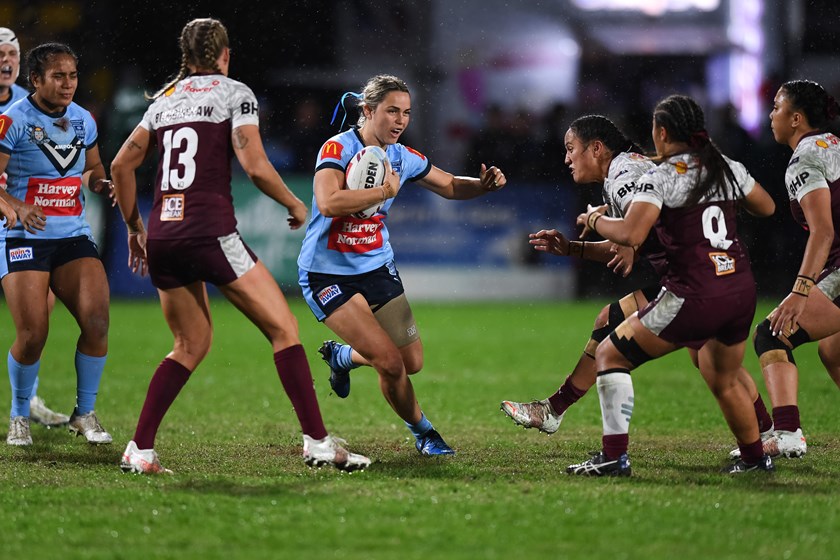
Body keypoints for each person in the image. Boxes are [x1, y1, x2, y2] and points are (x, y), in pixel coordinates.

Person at [110, 18, 369, 474]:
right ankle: (317, 443)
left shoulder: (164, 100)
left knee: (189, 344)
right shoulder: (234, 93)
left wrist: (134, 227)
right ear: (224, 54)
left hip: (165, 234)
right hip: (209, 233)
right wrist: (294, 203)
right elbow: (255, 165)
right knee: (284, 329)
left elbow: (120, 166)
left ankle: (140, 449)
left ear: (185, 58)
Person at [500, 115, 774, 449]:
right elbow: (631, 236)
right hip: (707, 275)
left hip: (694, 283)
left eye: (571, 149)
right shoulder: (628, 168)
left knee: (620, 347)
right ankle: (767, 433)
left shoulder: (623, 173)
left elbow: (635, 229)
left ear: (597, 148)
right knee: (704, 358)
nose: (566, 158)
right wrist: (573, 247)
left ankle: (589, 437)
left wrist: (629, 240)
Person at [567, 95, 776, 476]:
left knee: (610, 355)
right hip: (740, 288)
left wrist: (594, 218)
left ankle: (613, 457)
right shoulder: (724, 166)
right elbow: (766, 207)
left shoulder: (660, 175)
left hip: (694, 292)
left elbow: (631, 232)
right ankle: (755, 459)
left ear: (662, 132)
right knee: (723, 378)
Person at [299, 74, 506, 456]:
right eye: (392, 111)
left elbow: (448, 185)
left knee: (411, 362)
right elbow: (328, 202)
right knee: (390, 364)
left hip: (377, 269)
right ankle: (424, 432)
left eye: (406, 113)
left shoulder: (401, 156)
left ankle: (342, 356)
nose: (400, 120)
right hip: (328, 275)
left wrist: (482, 186)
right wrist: (383, 191)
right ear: (368, 110)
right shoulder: (337, 148)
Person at [0, 43, 113, 446]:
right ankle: (18, 414)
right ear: (35, 80)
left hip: (72, 236)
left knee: (97, 322)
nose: (68, 84)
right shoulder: (12, 120)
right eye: (58, 76)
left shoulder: (84, 120)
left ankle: (84, 413)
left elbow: (94, 167)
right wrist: (16, 205)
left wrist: (101, 183)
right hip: (23, 237)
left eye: (73, 75)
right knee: (32, 335)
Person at [748, 79, 840, 459]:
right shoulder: (834, 144)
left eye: (777, 108)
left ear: (796, 118)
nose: (772, 115)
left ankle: (785, 431)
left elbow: (823, 231)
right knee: (833, 353)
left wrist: (800, 291)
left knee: (772, 336)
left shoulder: (804, 159)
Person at [0, 26, 69, 428]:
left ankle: (26, 400)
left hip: (16, 225)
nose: (6, 61)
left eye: (12, 54)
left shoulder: (31, 107)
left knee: (38, 313)